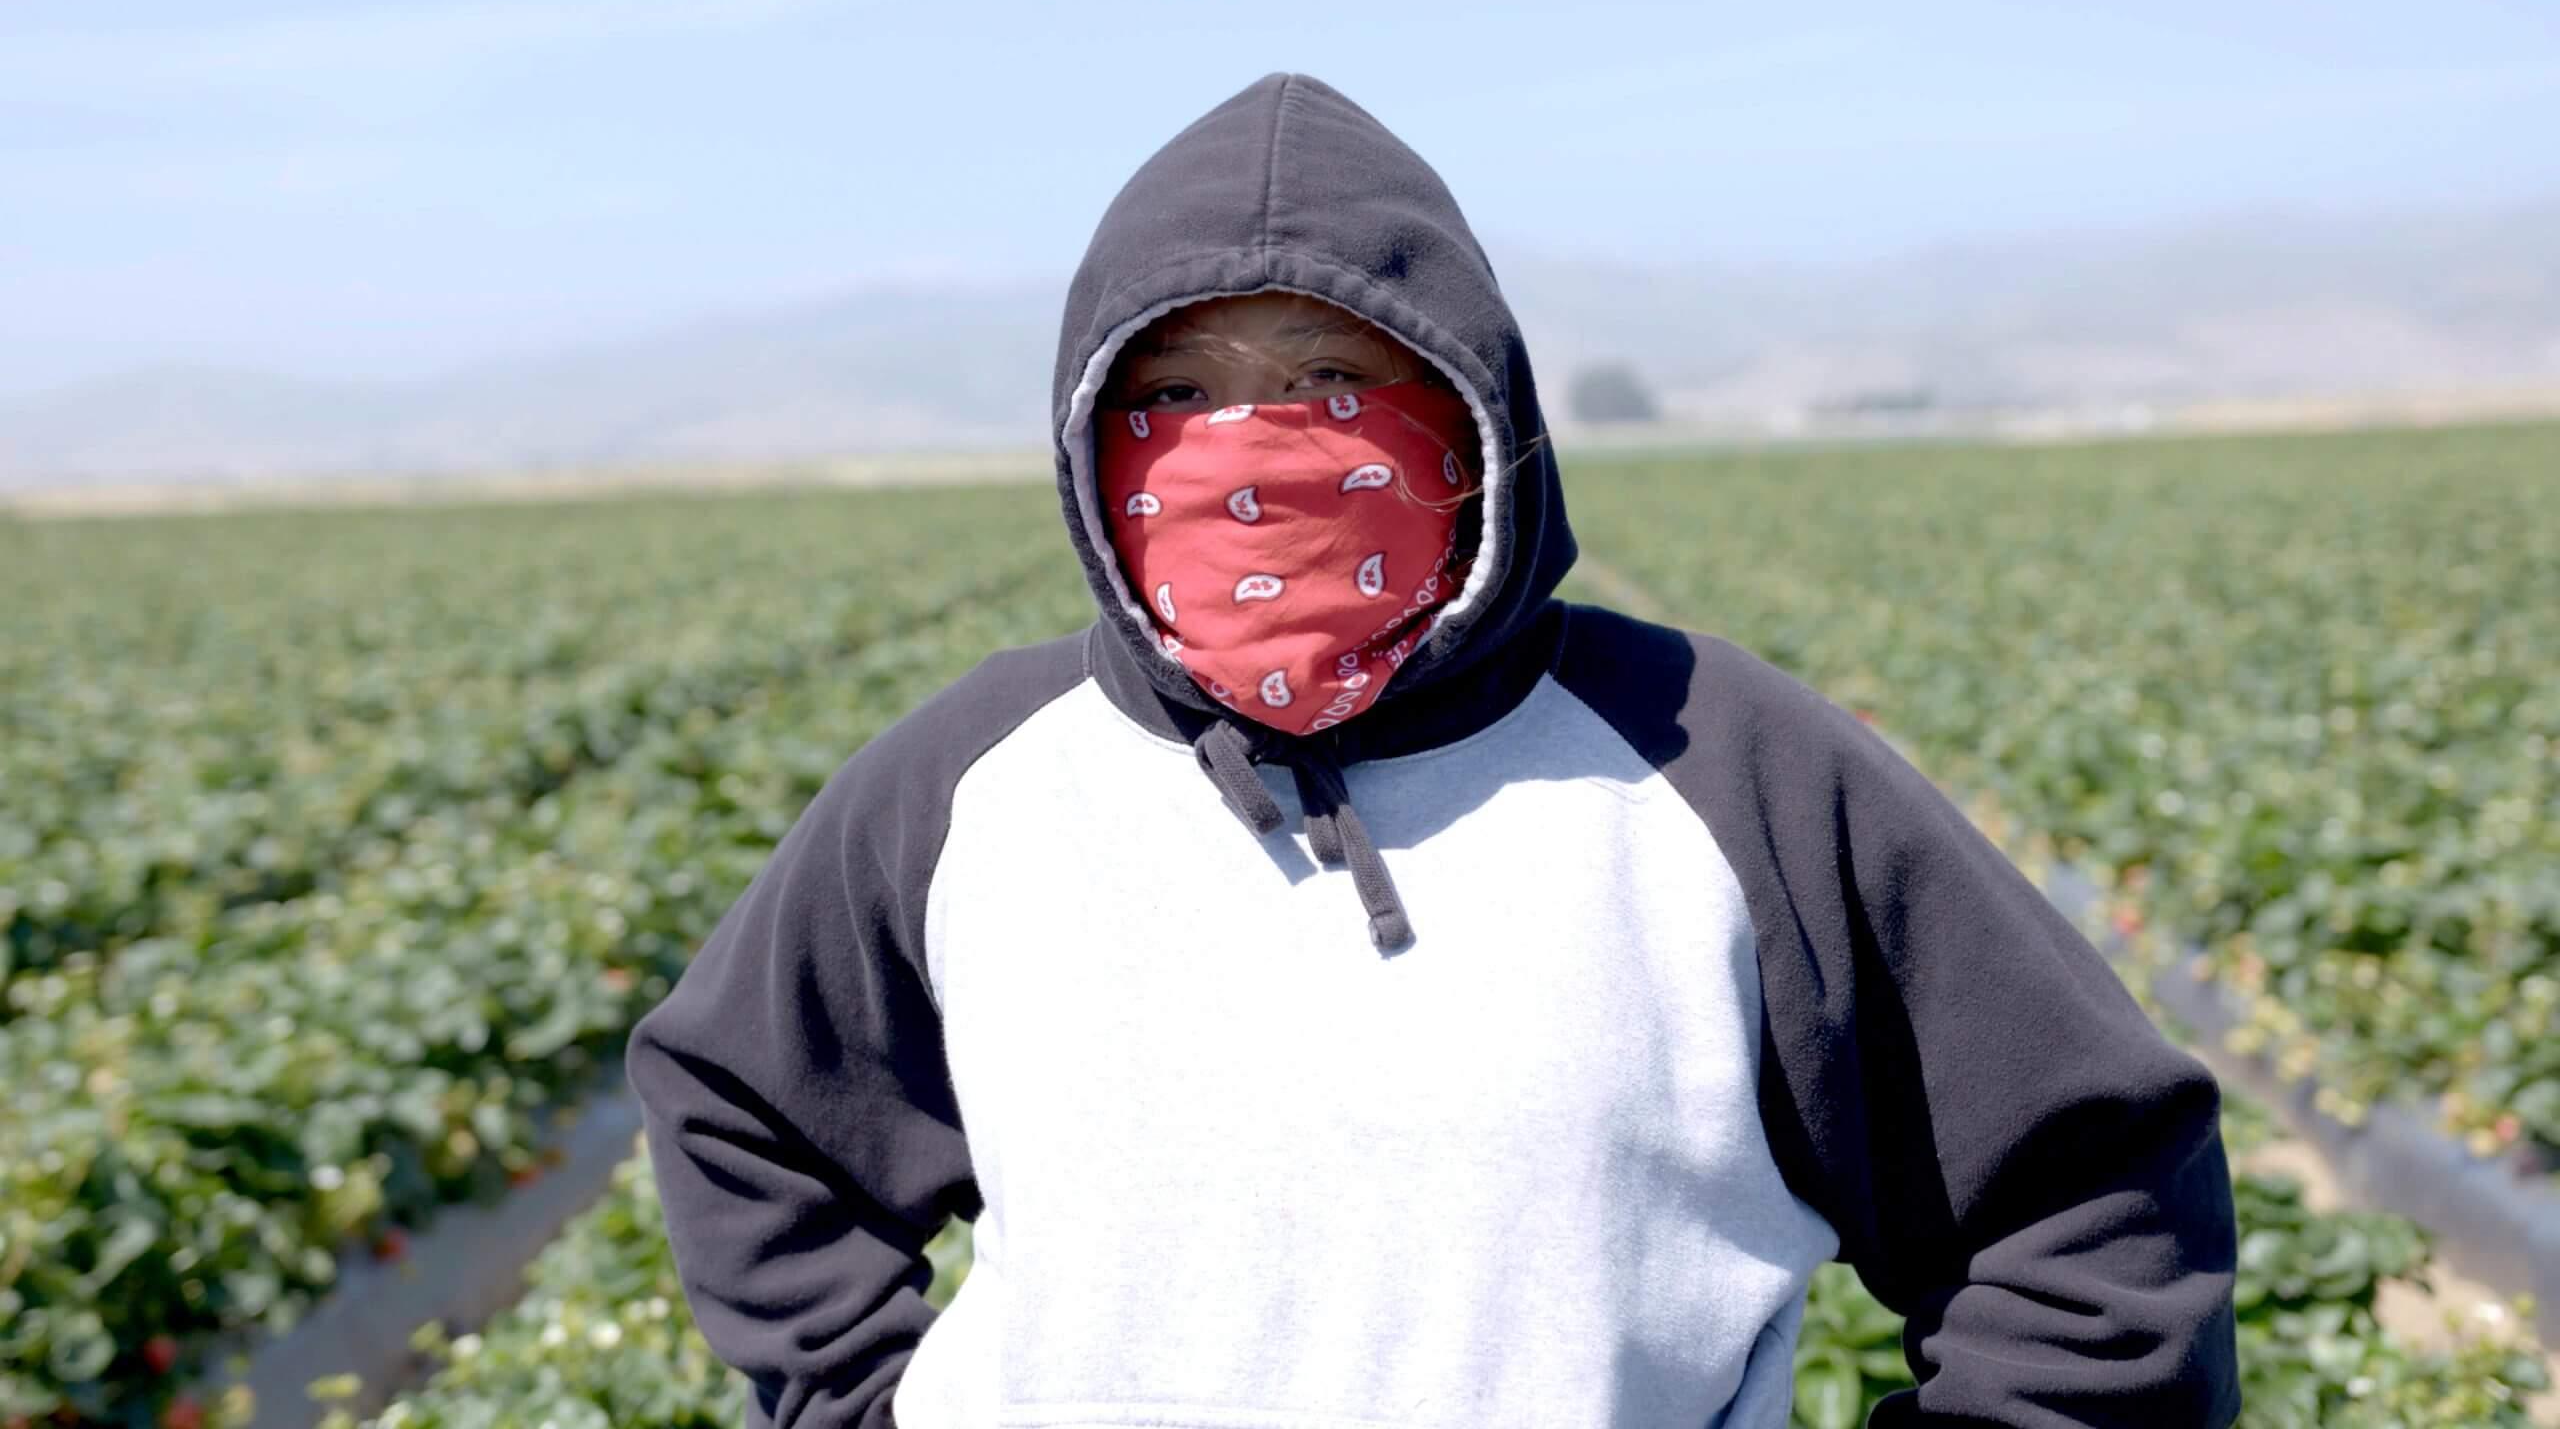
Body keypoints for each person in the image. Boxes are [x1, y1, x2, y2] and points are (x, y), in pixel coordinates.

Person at [626, 73, 2241, 1429]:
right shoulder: (978, 782)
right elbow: (743, 1109)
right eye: (1177, 389)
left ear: (1469, 414)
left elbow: (2087, 1199)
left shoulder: (1718, 767)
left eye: (1330, 377)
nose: (1251, 452)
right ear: (1093, 436)